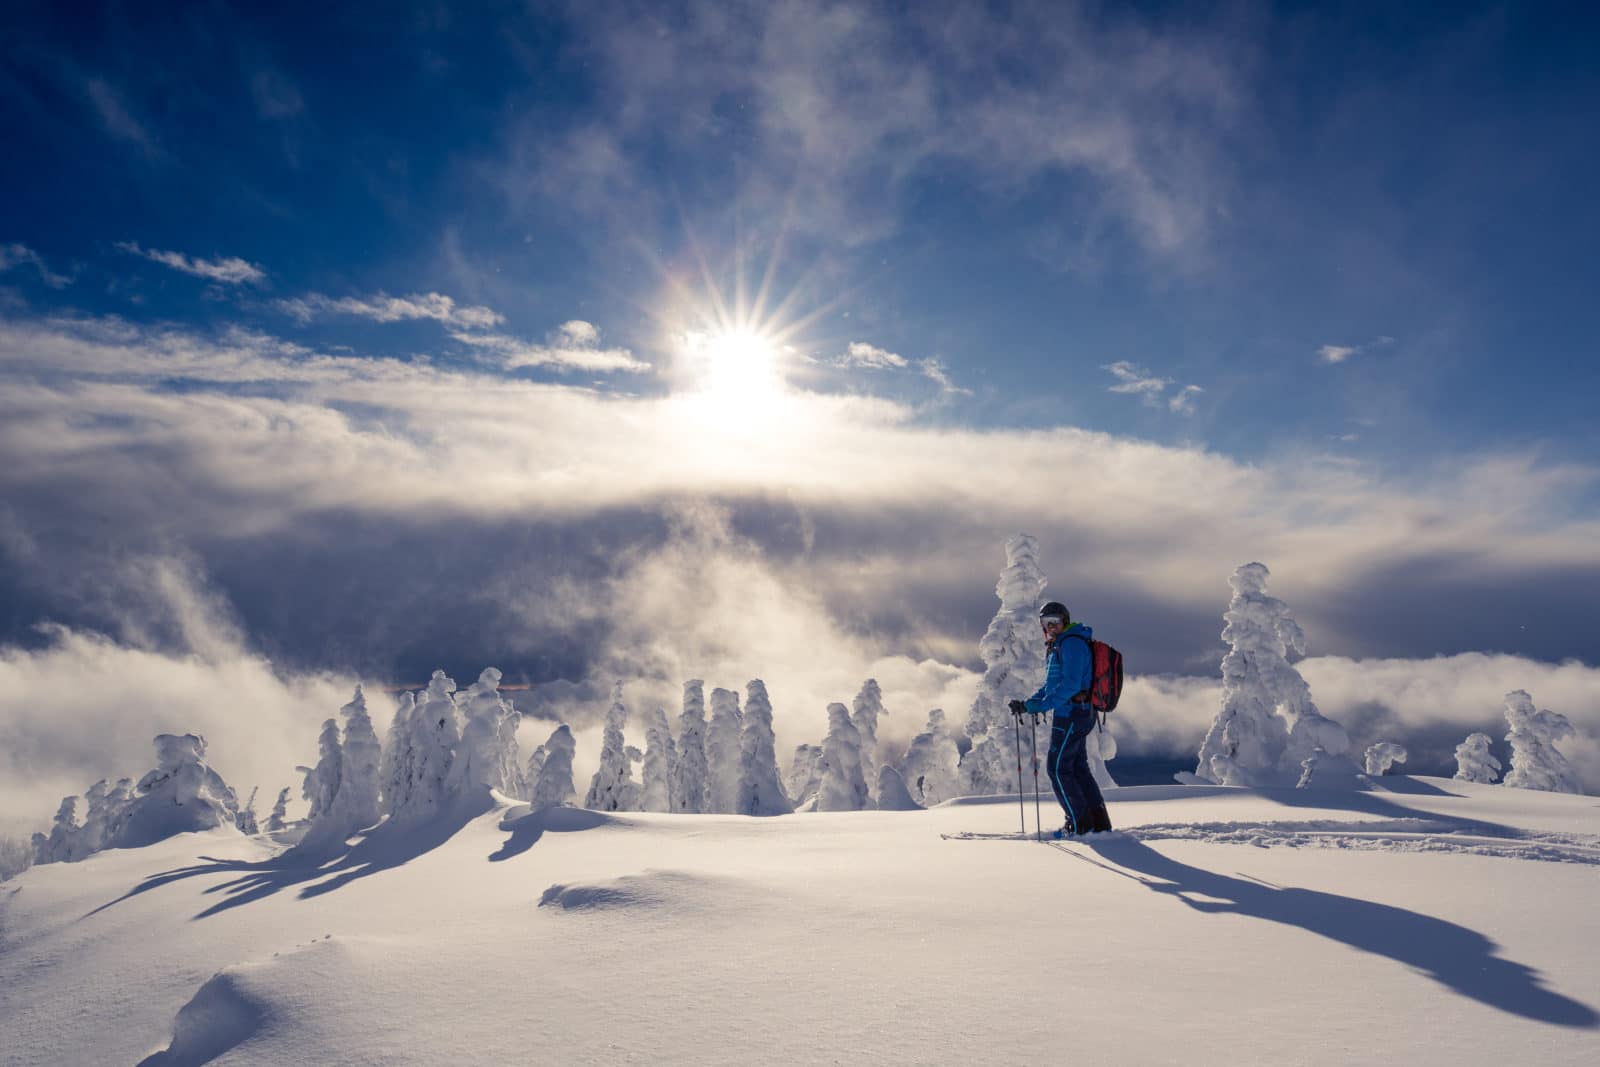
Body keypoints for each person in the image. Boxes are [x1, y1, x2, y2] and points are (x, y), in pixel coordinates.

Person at [1010, 601, 1113, 837]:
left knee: (1057, 769)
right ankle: (1098, 823)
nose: (1051, 627)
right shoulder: (1061, 644)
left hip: (1072, 714)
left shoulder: (1071, 644)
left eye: (1055, 621)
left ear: (1065, 621)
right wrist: (1028, 704)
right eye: (1046, 623)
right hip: (1075, 712)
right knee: (1077, 768)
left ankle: (1078, 825)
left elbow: (1070, 685)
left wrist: (1041, 705)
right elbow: (1051, 686)